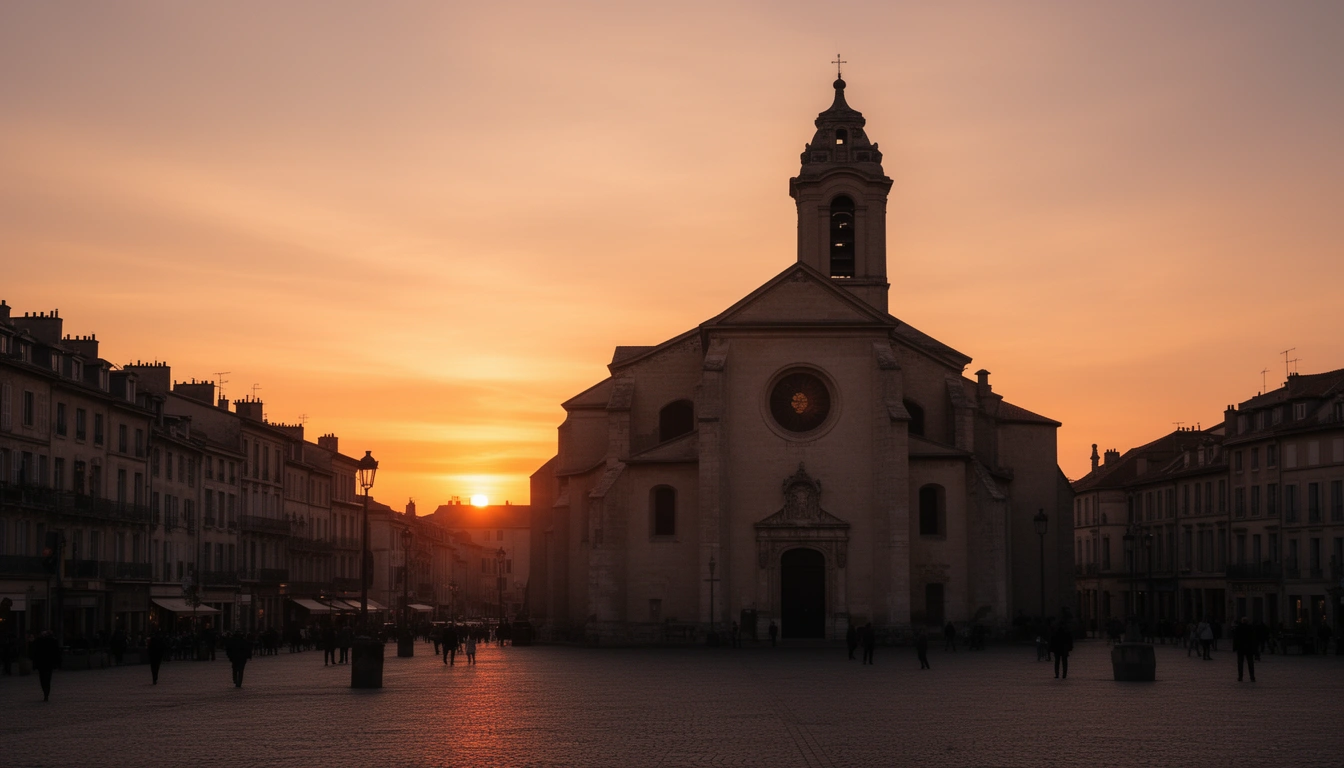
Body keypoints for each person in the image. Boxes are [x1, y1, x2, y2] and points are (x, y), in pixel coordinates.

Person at [31, 630, 61, 702]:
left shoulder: (49, 641)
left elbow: (56, 653)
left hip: (44, 663)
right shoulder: (40, 641)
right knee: (46, 679)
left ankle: (46, 693)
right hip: (45, 663)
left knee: (44, 679)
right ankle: (46, 693)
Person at [1232, 617, 1256, 682]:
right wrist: (1254, 649)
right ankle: (1252, 677)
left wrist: (1234, 647)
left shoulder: (1238, 628)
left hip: (1240, 647)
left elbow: (1235, 638)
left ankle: (1240, 677)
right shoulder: (1250, 628)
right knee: (1250, 663)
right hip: (1249, 648)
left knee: (1240, 663)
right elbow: (1253, 639)